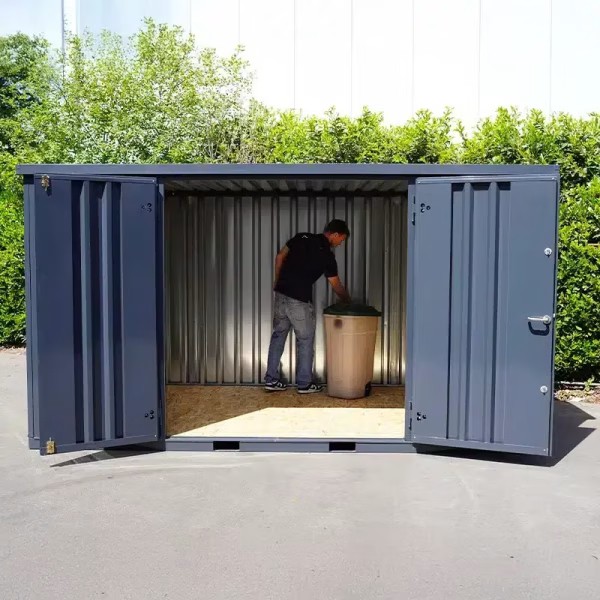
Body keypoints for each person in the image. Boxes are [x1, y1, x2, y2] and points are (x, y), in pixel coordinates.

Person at [264, 219, 351, 394]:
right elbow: (335, 284)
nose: (340, 244)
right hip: (299, 300)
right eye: (341, 240)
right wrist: (348, 301)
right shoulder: (327, 256)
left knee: (278, 336)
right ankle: (304, 384)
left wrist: (278, 281)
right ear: (334, 234)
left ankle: (271, 380)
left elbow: (280, 256)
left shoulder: (301, 237)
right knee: (305, 340)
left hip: (281, 294)